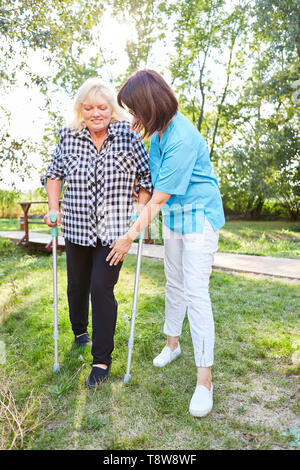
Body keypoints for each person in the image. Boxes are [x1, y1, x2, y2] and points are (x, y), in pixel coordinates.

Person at [107, 69, 225, 417]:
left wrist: (129, 236)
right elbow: (155, 189)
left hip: (199, 216)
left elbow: (157, 200)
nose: (133, 116)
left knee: (195, 291)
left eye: (135, 109)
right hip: (176, 216)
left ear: (150, 105)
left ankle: (205, 379)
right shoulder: (157, 135)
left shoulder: (182, 138)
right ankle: (172, 344)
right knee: (175, 284)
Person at [43, 77, 152, 388]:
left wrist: (137, 215)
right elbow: (54, 174)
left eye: (102, 107)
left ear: (112, 109)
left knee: (100, 289)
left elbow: (146, 181)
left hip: (114, 232)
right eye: (88, 108)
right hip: (76, 227)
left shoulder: (129, 139)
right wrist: (54, 207)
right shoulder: (68, 137)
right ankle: (79, 331)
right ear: (81, 110)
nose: (95, 113)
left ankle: (102, 360)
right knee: (77, 287)